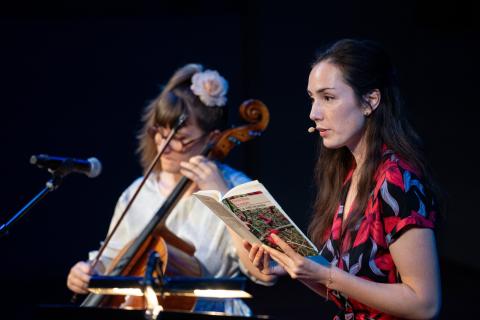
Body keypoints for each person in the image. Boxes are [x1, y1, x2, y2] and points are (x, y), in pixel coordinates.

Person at [244, 39, 441, 319]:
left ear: (369, 101)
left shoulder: (397, 179)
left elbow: (424, 304)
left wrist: (326, 274)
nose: (314, 113)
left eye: (328, 97)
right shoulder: (350, 172)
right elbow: (346, 291)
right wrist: (293, 267)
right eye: (312, 98)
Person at [66, 63, 275, 315]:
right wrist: (90, 270)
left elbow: (267, 271)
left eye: (179, 138)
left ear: (212, 138)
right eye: (159, 132)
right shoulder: (138, 191)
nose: (163, 145)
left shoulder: (241, 188)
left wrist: (222, 196)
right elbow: (113, 260)